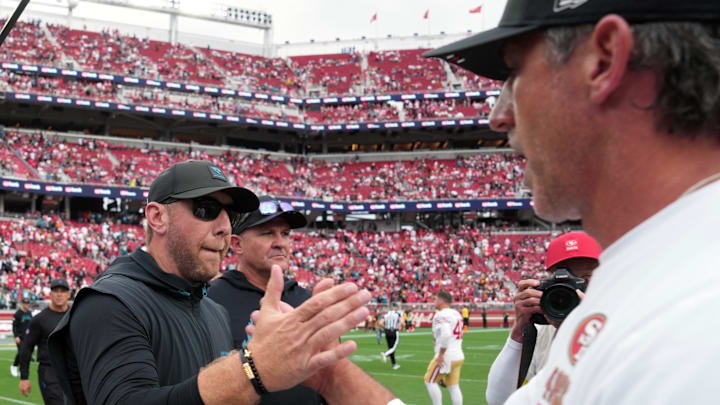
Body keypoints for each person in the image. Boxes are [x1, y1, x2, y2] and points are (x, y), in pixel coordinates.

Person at [426, 1, 720, 403]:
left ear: (603, 61)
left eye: (514, 72)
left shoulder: (692, 316)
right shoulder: (657, 277)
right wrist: (335, 376)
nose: (499, 115)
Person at [48, 160, 402, 405]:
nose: (223, 226)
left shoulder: (210, 308)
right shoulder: (110, 302)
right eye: (205, 209)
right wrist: (254, 369)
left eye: (229, 215)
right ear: (157, 217)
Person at [209, 195, 388, 405]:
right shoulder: (210, 301)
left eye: (285, 234)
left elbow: (330, 382)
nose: (280, 243)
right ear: (237, 244)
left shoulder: (308, 301)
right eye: (267, 233)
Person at [485, 232, 600, 405]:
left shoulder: (621, 324)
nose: (574, 290)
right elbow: (498, 399)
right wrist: (519, 332)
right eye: (564, 280)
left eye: (585, 279)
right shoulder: (544, 328)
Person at [18, 279, 70, 405]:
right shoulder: (39, 320)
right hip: (49, 372)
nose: (59, 294)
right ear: (50, 294)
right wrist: (24, 377)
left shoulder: (75, 315)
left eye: (62, 291)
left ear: (68, 294)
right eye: (55, 291)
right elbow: (26, 347)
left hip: (72, 372)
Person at [424, 290, 464, 405]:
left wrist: (441, 354)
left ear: (442, 300)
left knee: (429, 381)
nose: (434, 301)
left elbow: (446, 334)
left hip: (446, 356)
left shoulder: (441, 314)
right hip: (458, 355)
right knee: (453, 386)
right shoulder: (456, 313)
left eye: (435, 299)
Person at [11, 297, 32, 378]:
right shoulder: (17, 314)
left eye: (27, 303)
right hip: (20, 337)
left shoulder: (30, 313)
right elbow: (14, 326)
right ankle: (14, 366)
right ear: (22, 304)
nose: (26, 305)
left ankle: (22, 370)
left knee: (26, 354)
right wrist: (16, 336)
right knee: (21, 353)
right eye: (25, 303)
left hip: (28, 337)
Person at [379, 304, 403, 370]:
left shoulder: (385, 314)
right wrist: (401, 327)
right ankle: (385, 354)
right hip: (394, 331)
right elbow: (402, 322)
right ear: (394, 307)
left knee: (390, 348)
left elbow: (380, 323)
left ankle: (394, 364)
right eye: (396, 307)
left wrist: (385, 328)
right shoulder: (397, 314)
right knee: (393, 348)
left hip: (387, 332)